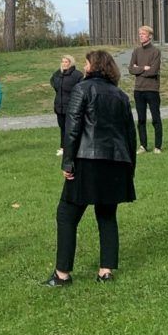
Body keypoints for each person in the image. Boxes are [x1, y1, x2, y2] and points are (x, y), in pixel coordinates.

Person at [44, 50, 136, 287]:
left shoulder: (82, 89)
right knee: (107, 214)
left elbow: (72, 128)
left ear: (93, 66)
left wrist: (67, 162)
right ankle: (105, 270)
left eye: (86, 62)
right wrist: (129, 169)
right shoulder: (121, 95)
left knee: (66, 214)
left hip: (87, 160)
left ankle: (62, 273)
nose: (84, 66)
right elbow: (130, 135)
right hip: (116, 162)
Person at [128, 25, 162, 154]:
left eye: (143, 33)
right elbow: (131, 69)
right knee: (141, 119)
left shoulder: (155, 51)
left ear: (150, 36)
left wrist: (139, 69)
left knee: (155, 118)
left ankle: (157, 146)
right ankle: (143, 145)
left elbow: (153, 71)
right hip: (139, 90)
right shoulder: (136, 51)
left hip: (152, 89)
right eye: (140, 33)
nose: (141, 35)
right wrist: (144, 68)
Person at [50, 55, 83, 157]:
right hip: (59, 106)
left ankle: (75, 148)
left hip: (72, 106)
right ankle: (63, 148)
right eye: (62, 61)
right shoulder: (57, 74)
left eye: (66, 62)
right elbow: (53, 82)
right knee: (62, 128)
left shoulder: (77, 75)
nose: (64, 64)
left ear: (71, 63)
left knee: (72, 128)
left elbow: (81, 88)